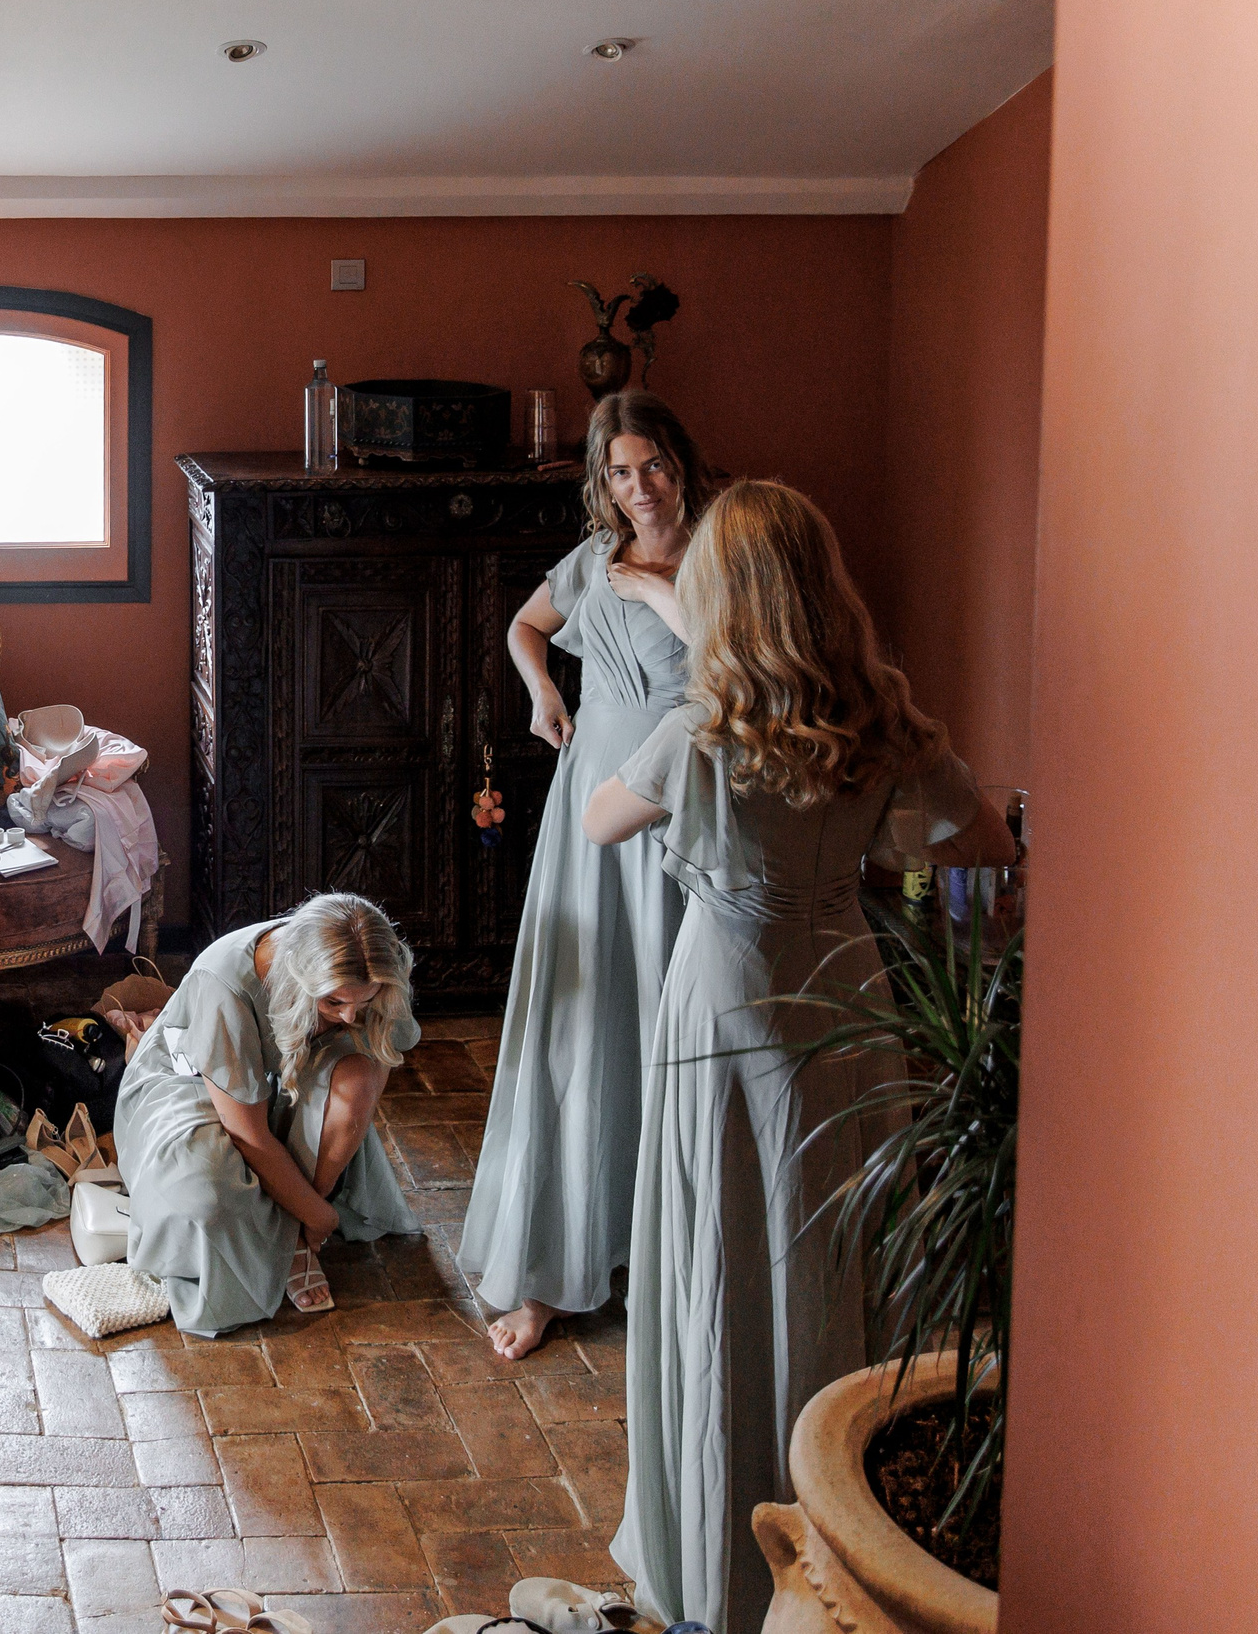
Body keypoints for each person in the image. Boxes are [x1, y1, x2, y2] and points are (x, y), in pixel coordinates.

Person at [582, 481, 1017, 1633]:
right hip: (845, 991)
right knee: (835, 1240)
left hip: (727, 1004)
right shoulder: (885, 722)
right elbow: (978, 841)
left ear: (720, 600)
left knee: (727, 1252)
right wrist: (898, 878)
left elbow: (597, 821)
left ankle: (724, 1559)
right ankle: (843, 1522)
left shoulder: (699, 730)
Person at [457, 391, 713, 1361]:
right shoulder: (591, 557)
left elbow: (734, 654)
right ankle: (548, 1269)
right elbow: (526, 626)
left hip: (676, 797)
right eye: (619, 472)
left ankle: (668, 1264)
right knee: (577, 1019)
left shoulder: (723, 555)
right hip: (587, 798)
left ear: (679, 463)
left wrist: (651, 585)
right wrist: (542, 693)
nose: (638, 487)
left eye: (652, 466)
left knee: (660, 1016)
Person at [111, 892, 420, 1335]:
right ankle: (294, 1228)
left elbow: (381, 1057)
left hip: (280, 1077)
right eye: (334, 1002)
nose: (350, 1017)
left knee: (360, 1077)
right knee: (207, 1192)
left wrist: (309, 1205)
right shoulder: (225, 982)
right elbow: (248, 1134)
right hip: (190, 1079)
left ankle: (292, 1226)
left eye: (365, 1002)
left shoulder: (375, 963)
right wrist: (321, 1218)